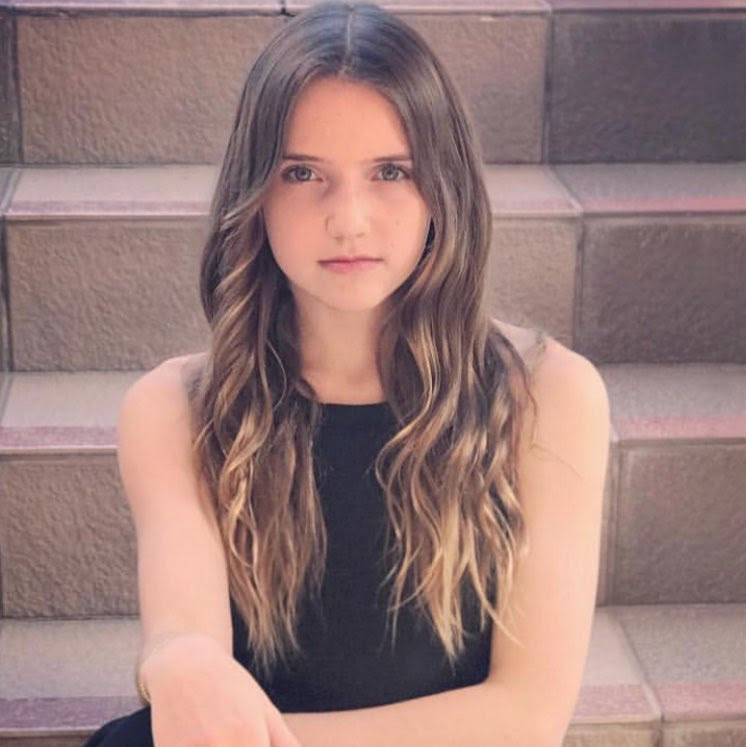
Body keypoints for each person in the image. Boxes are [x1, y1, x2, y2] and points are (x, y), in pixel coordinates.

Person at [84, 1, 610, 745]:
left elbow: (526, 718)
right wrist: (174, 661)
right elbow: (186, 638)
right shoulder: (176, 407)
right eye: (303, 173)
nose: (350, 218)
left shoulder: (548, 396)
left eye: (391, 171)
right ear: (255, 193)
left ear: (444, 188)